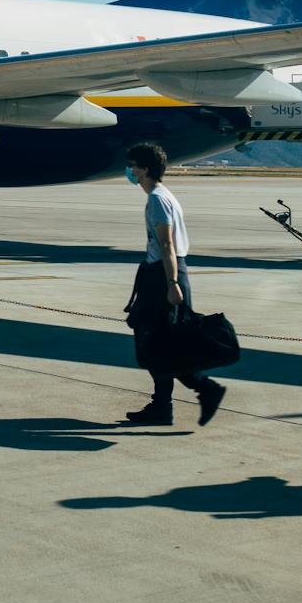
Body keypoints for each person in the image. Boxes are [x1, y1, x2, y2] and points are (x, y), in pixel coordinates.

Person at [121, 142, 227, 427]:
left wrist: (172, 283)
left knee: (157, 344)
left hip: (165, 274)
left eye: (132, 166)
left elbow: (167, 243)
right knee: (161, 344)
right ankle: (163, 406)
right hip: (164, 272)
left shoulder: (157, 198)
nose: (129, 171)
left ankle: (204, 388)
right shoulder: (163, 195)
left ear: (145, 169)